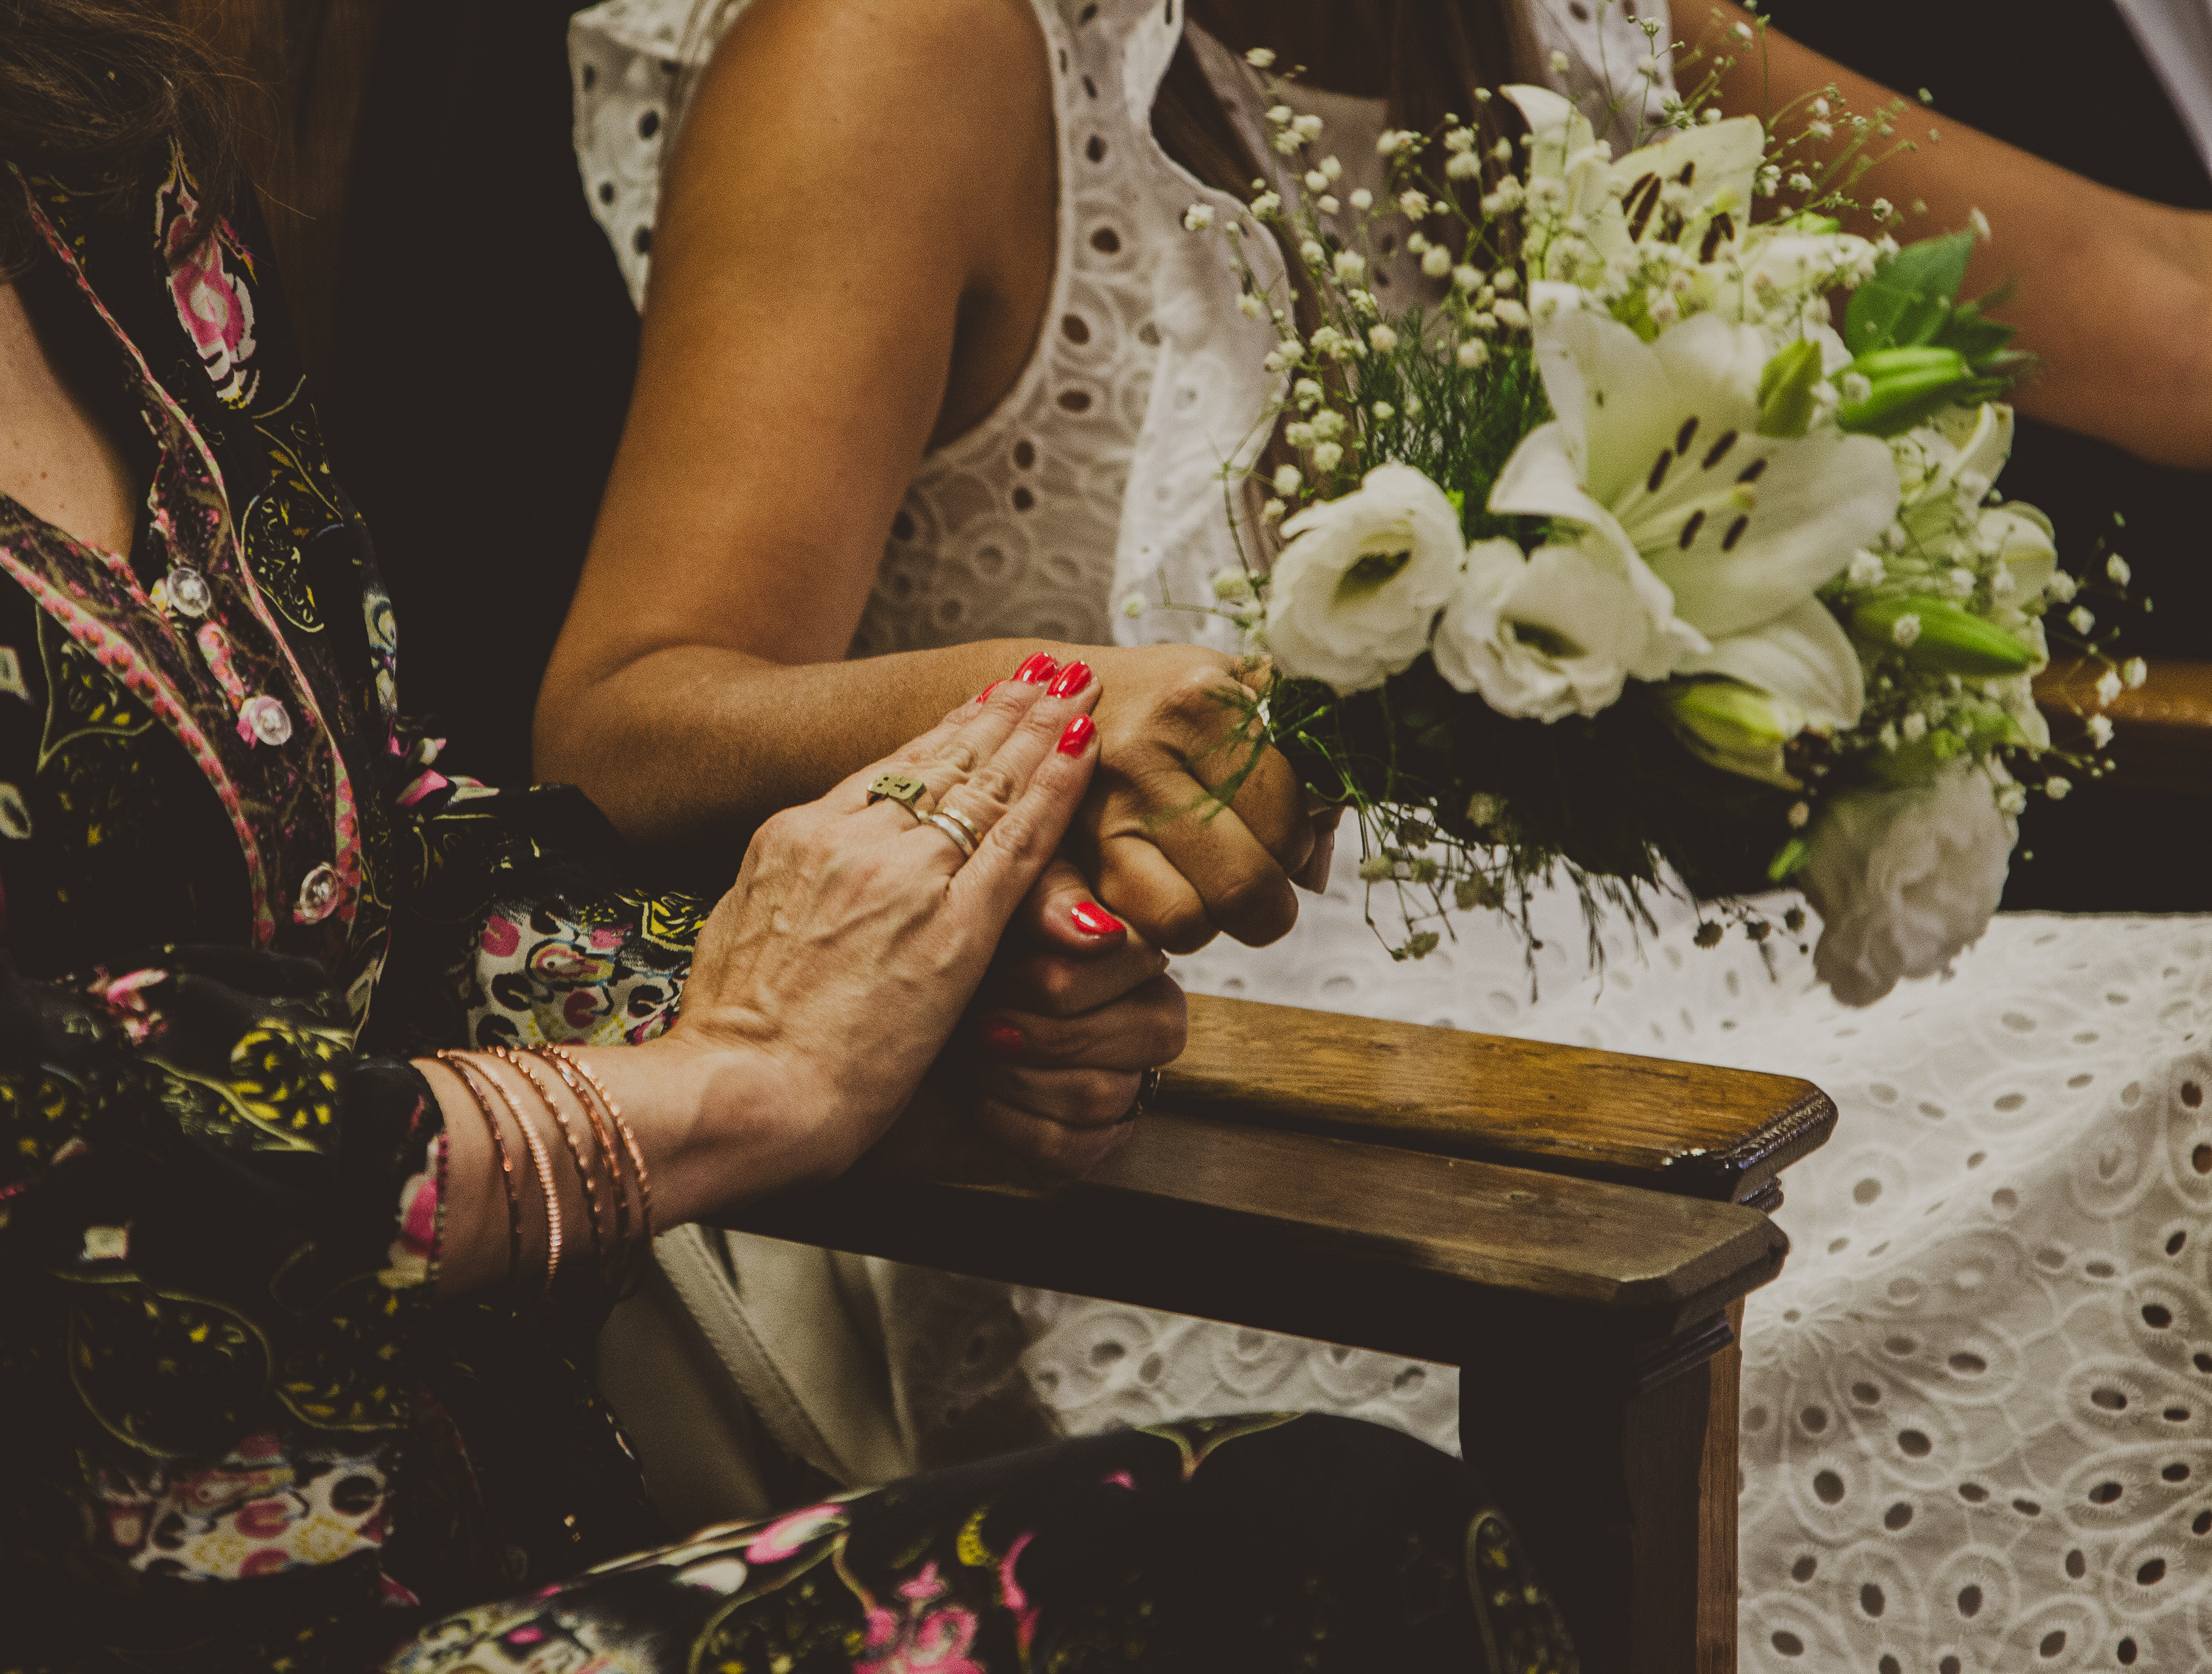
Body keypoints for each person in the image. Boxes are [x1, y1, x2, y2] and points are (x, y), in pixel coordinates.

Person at [0, 3, 1584, 1669]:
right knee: (1324, 1551)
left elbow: (372, 865)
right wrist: (728, 1086)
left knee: (1351, 1548)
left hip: (472, 1531)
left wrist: (923, 997)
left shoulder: (63, 146)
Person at [558, 0, 2212, 1667]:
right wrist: (1059, 704)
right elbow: (627, 719)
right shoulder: (913, 47)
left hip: (1641, 1067)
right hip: (1204, 1157)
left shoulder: (1573, 34)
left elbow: (2162, 303)